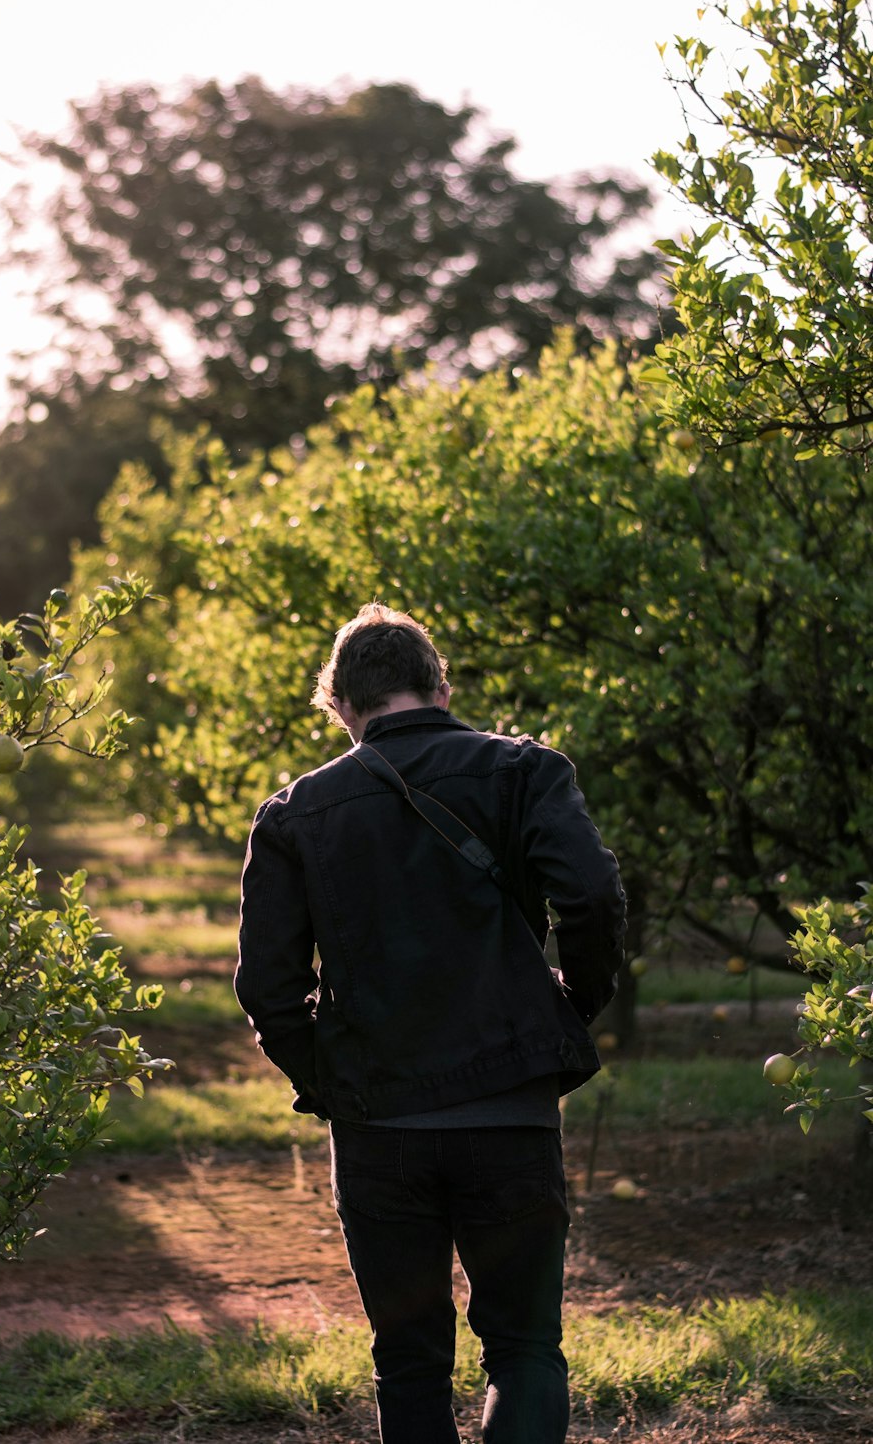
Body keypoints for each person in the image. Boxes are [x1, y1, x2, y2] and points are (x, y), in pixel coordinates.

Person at [235, 603, 626, 1444]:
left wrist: (336, 1080)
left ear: (337, 702)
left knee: (409, 1361)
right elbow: (591, 894)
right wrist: (569, 1008)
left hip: (381, 1129)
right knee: (524, 1348)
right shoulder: (524, 773)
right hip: (511, 1111)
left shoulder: (294, 815)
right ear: (439, 684)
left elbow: (267, 989)